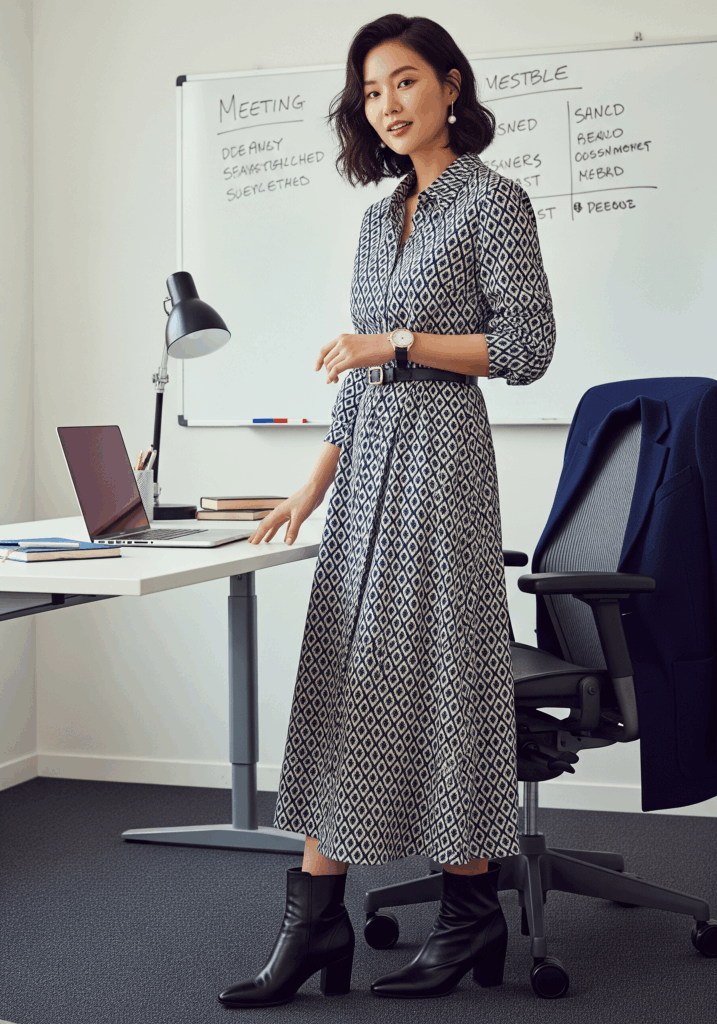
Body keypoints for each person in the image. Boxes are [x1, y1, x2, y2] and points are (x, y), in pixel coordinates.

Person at [218, 12, 555, 1008]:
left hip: (443, 468)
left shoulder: (493, 202)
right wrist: (309, 484)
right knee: (340, 674)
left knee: (438, 682)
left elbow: (527, 349)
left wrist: (397, 342)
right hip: (366, 474)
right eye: (372, 91)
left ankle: (467, 908)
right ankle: (317, 919)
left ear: (451, 87)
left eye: (405, 82)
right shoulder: (378, 217)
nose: (389, 105)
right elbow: (359, 375)